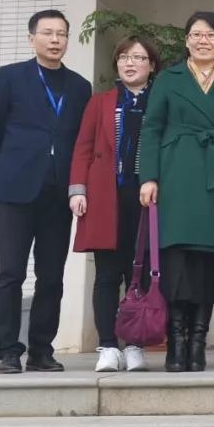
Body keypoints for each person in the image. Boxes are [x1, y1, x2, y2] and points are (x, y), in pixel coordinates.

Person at [0, 10, 92, 374]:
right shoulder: (9, 77)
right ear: (32, 39)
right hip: (15, 191)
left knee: (52, 276)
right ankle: (8, 351)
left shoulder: (79, 87)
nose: (55, 40)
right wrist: (2, 173)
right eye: (47, 33)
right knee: (10, 273)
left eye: (61, 34)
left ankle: (41, 350)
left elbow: (81, 142)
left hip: (58, 195)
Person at [138, 11, 214, 373]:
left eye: (211, 35)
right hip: (176, 176)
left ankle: (198, 343)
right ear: (186, 40)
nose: (204, 41)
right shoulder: (167, 79)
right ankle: (177, 341)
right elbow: (151, 129)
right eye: (197, 34)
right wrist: (149, 177)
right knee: (177, 261)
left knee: (207, 264)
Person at [68, 35, 161, 373]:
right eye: (123, 57)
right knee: (107, 274)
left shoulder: (161, 101)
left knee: (142, 274)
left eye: (138, 57)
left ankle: (135, 345)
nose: (129, 63)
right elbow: (83, 146)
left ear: (152, 65)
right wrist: (78, 190)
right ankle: (107, 345)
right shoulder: (101, 102)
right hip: (106, 196)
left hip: (149, 198)